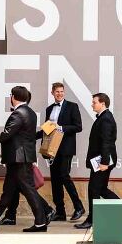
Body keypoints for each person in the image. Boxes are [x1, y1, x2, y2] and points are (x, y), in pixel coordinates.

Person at [0, 86, 48, 232]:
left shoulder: (18, 114)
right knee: (8, 190)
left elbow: (7, 133)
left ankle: (41, 222)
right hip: (20, 158)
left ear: (13, 97)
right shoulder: (30, 112)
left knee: (29, 190)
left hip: (18, 159)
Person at [74, 92, 122, 229]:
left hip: (102, 161)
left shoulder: (106, 118)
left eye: (94, 102)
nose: (92, 104)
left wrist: (104, 162)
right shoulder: (104, 117)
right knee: (101, 189)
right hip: (101, 160)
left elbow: (107, 142)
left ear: (103, 103)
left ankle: (91, 219)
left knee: (93, 189)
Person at [37, 82, 85, 221]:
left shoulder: (72, 106)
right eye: (57, 92)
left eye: (62, 91)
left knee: (64, 176)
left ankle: (79, 207)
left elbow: (78, 127)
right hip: (51, 148)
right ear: (52, 93)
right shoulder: (49, 109)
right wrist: (31, 137)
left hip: (66, 148)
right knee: (55, 180)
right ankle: (60, 212)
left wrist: (61, 128)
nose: (60, 94)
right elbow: (46, 130)